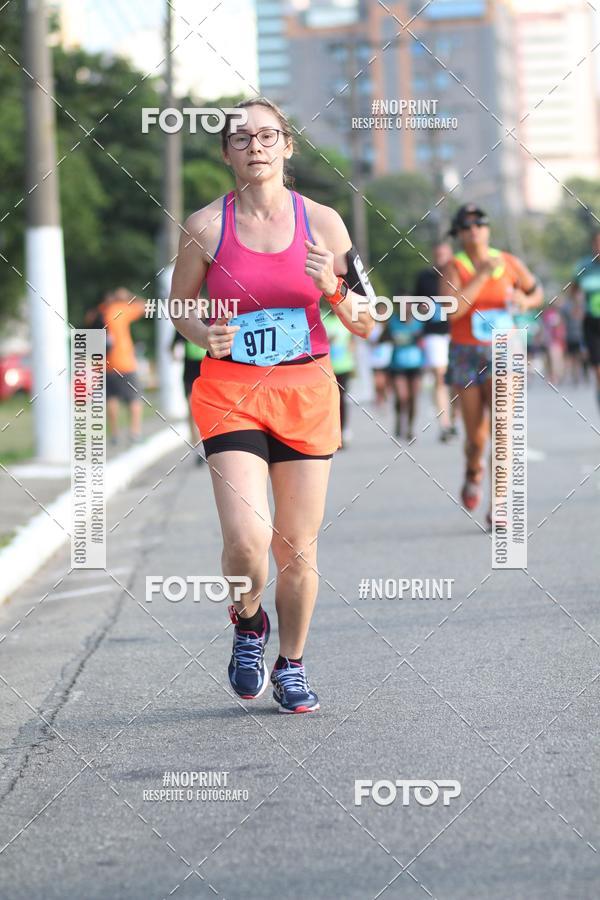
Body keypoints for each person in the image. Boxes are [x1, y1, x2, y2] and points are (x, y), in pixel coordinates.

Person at [169, 97, 374, 713]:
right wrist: (203, 334)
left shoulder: (326, 224)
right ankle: (249, 621)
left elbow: (367, 321)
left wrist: (332, 288)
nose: (255, 145)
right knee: (245, 541)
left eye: (267, 135)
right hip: (231, 391)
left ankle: (292, 663)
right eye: (241, 138)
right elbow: (180, 305)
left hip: (307, 392)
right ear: (227, 153)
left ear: (288, 146)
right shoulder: (206, 226)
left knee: (296, 546)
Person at [443, 204, 543, 524]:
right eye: (466, 225)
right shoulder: (453, 267)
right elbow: (453, 310)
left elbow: (535, 290)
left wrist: (525, 301)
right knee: (476, 437)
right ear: (458, 234)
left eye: (479, 224)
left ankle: (499, 502)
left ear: (487, 230)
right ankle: (474, 471)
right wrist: (483, 275)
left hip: (503, 350)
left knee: (502, 429)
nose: (474, 230)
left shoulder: (510, 262)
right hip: (465, 354)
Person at [87, 288, 146, 444]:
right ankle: (135, 432)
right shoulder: (119, 310)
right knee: (134, 398)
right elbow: (144, 306)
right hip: (125, 362)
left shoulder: (99, 312)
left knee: (111, 398)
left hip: (105, 363)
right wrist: (128, 296)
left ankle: (114, 434)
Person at [414, 241, 457, 441]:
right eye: (438, 255)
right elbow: (414, 304)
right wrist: (422, 308)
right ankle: (445, 424)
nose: (441, 258)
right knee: (440, 377)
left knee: (458, 379)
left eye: (444, 255)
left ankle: (455, 417)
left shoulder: (458, 275)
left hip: (457, 332)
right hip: (434, 332)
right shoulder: (424, 277)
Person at [571, 231, 600, 411]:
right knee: (598, 372)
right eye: (597, 243)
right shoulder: (584, 266)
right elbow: (574, 289)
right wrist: (577, 306)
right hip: (592, 323)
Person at [386, 304, 424, 441]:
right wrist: (394, 338)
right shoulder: (393, 322)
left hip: (417, 364)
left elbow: (425, 341)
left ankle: (410, 427)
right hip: (398, 365)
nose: (406, 308)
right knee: (402, 397)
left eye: (408, 304)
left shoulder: (420, 322)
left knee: (413, 397)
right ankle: (398, 419)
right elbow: (383, 339)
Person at [172, 329, 207, 464]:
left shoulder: (211, 321)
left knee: (208, 411)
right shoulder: (185, 322)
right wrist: (176, 354)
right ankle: (198, 448)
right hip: (190, 373)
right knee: (192, 411)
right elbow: (173, 348)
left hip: (209, 371)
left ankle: (211, 443)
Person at [323, 302, 355, 445]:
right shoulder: (322, 318)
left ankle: (342, 431)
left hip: (344, 366)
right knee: (327, 401)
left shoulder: (346, 319)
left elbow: (352, 342)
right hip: (326, 367)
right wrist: (328, 340)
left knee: (341, 400)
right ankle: (328, 433)